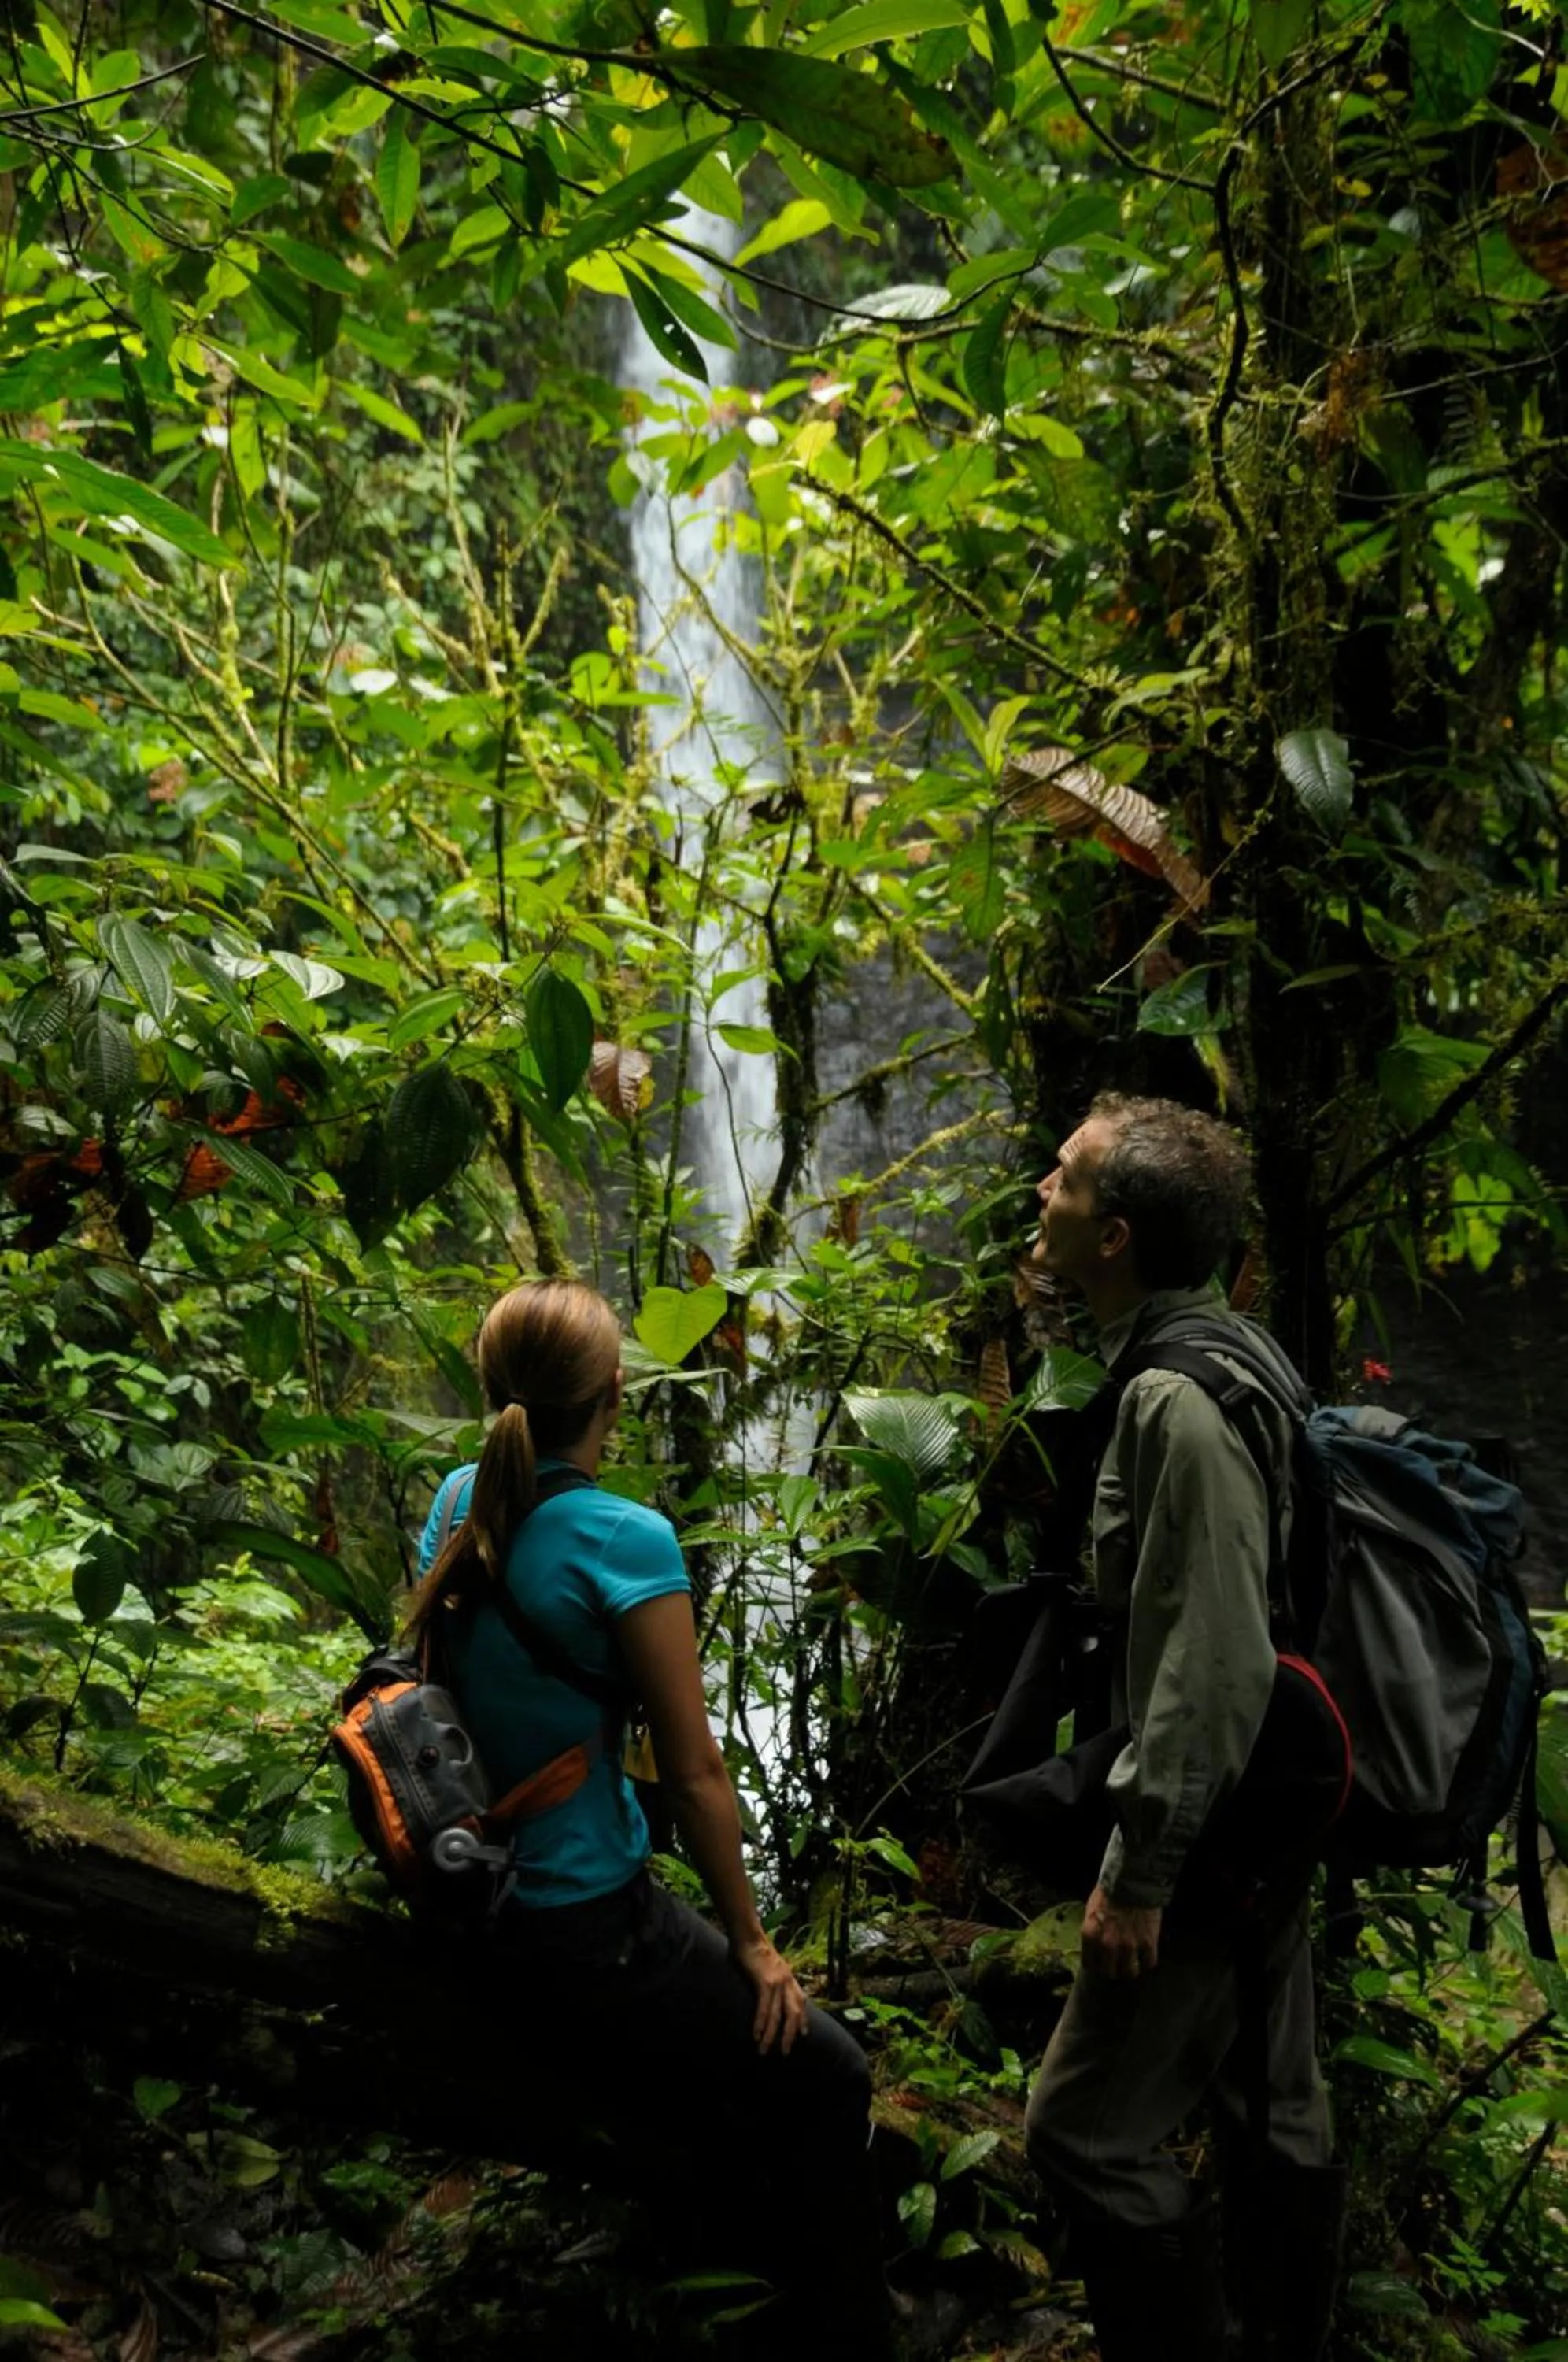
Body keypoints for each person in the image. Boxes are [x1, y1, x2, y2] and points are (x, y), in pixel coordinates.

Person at [405, 1278, 895, 2360]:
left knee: (715, 2097)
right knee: (834, 2075)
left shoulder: (455, 1503)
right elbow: (698, 1771)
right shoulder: (626, 1541)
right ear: (615, 1396)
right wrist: (759, 1947)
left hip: (468, 1891)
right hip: (583, 1922)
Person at [1020, 1095, 1344, 2362]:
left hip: (1210, 1823)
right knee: (1277, 2107)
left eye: (1066, 1178)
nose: (1042, 1189)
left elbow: (1210, 1660)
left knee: (1080, 2134)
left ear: (1117, 1236)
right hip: (1259, 1805)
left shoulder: (1178, 1401)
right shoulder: (1234, 1347)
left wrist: (1140, 1873)